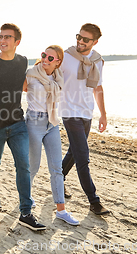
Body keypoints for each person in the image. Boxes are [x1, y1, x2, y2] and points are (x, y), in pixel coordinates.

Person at [0, 23, 46, 231]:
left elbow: (23, 84)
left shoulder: (23, 61)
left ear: (17, 42)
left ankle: (25, 212)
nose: (3, 40)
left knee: (23, 165)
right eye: (1, 36)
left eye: (7, 37)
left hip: (17, 123)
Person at [25, 46, 79, 226]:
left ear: (58, 62)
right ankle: (25, 201)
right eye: (43, 55)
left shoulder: (58, 77)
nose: (45, 59)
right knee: (32, 167)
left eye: (50, 57)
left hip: (52, 122)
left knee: (57, 169)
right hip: (33, 122)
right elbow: (15, 90)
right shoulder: (31, 73)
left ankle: (61, 210)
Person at [60, 23, 110, 215]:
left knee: (74, 151)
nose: (80, 41)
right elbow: (48, 73)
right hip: (69, 111)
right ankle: (94, 201)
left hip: (86, 112)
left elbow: (98, 88)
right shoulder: (66, 57)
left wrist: (103, 114)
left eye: (85, 39)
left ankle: (59, 179)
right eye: (78, 37)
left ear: (95, 42)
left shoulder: (98, 61)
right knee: (83, 156)